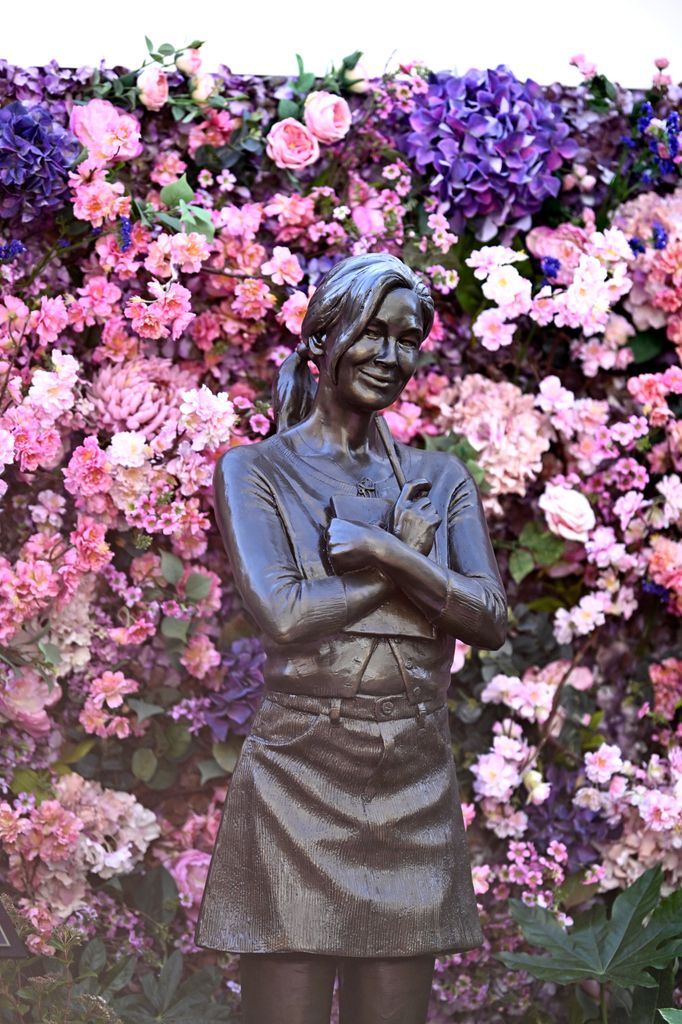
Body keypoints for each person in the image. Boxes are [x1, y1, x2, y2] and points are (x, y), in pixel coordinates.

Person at [195, 253, 507, 1024]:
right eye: (373, 332)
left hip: (412, 773)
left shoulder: (438, 479)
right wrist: (402, 568)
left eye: (407, 341)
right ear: (320, 339)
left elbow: (488, 619)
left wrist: (386, 552)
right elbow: (284, 613)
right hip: (299, 771)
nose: (391, 356)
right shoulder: (256, 470)